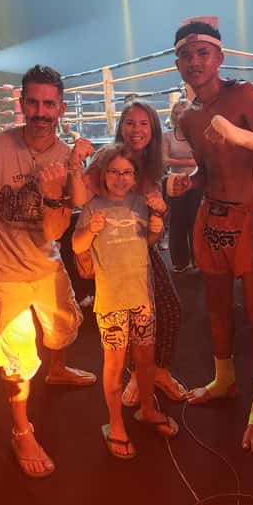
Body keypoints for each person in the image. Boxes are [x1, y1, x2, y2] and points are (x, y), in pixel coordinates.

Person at [0, 65, 96, 478]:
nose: (41, 112)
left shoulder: (67, 158)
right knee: (19, 354)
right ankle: (21, 430)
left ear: (61, 108)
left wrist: (54, 192)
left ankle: (58, 371)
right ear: (22, 103)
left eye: (49, 104)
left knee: (63, 326)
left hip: (45, 261)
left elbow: (56, 231)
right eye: (33, 102)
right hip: (3, 268)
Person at [170, 16, 253, 454]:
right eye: (185, 55)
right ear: (178, 64)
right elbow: (208, 171)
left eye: (203, 53)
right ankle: (224, 380)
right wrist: (189, 182)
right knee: (217, 309)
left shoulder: (243, 95)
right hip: (212, 217)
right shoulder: (189, 118)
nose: (194, 61)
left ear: (219, 57)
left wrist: (243, 136)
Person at [73, 99, 187, 406]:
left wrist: (161, 208)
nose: (137, 130)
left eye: (143, 123)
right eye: (130, 123)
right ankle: (137, 374)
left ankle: (157, 371)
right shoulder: (107, 156)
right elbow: (81, 198)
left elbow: (155, 216)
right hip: (111, 248)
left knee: (169, 309)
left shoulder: (152, 162)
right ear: (121, 127)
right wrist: (75, 165)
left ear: (153, 129)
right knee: (122, 318)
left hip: (141, 245)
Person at [72, 144, 178, 458]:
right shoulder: (92, 207)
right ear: (104, 173)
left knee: (145, 361)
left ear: (135, 176)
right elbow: (77, 246)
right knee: (115, 366)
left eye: (127, 172)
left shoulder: (141, 203)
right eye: (114, 172)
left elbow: (148, 241)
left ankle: (147, 409)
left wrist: (157, 229)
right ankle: (115, 423)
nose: (121, 178)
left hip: (142, 296)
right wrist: (91, 231)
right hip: (111, 300)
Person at [162, 98, 201, 273]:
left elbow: (201, 160)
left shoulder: (198, 135)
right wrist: (189, 161)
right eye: (177, 113)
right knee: (177, 222)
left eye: (183, 113)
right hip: (174, 180)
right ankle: (180, 262)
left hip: (196, 180)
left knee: (196, 221)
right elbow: (164, 160)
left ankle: (198, 260)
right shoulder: (167, 135)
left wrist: (177, 161)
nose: (180, 116)